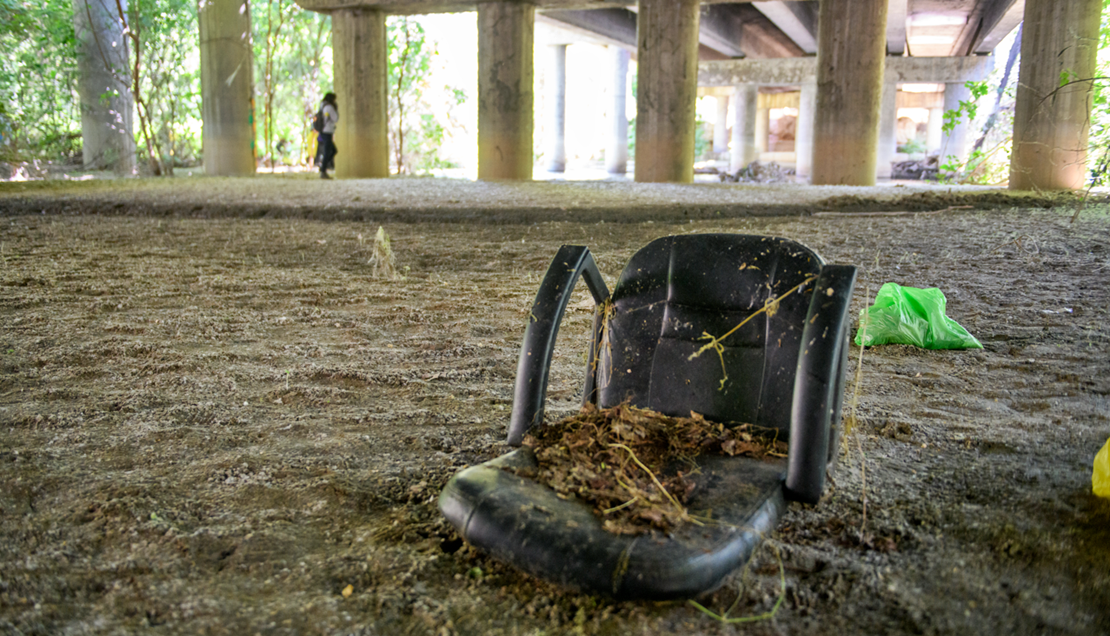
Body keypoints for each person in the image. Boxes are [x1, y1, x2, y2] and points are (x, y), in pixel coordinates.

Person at [318, 92, 338, 179]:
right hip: (327, 131)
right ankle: (323, 170)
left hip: (323, 131)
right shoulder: (329, 107)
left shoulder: (322, 105)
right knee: (330, 151)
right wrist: (336, 108)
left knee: (332, 150)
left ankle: (323, 166)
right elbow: (336, 118)